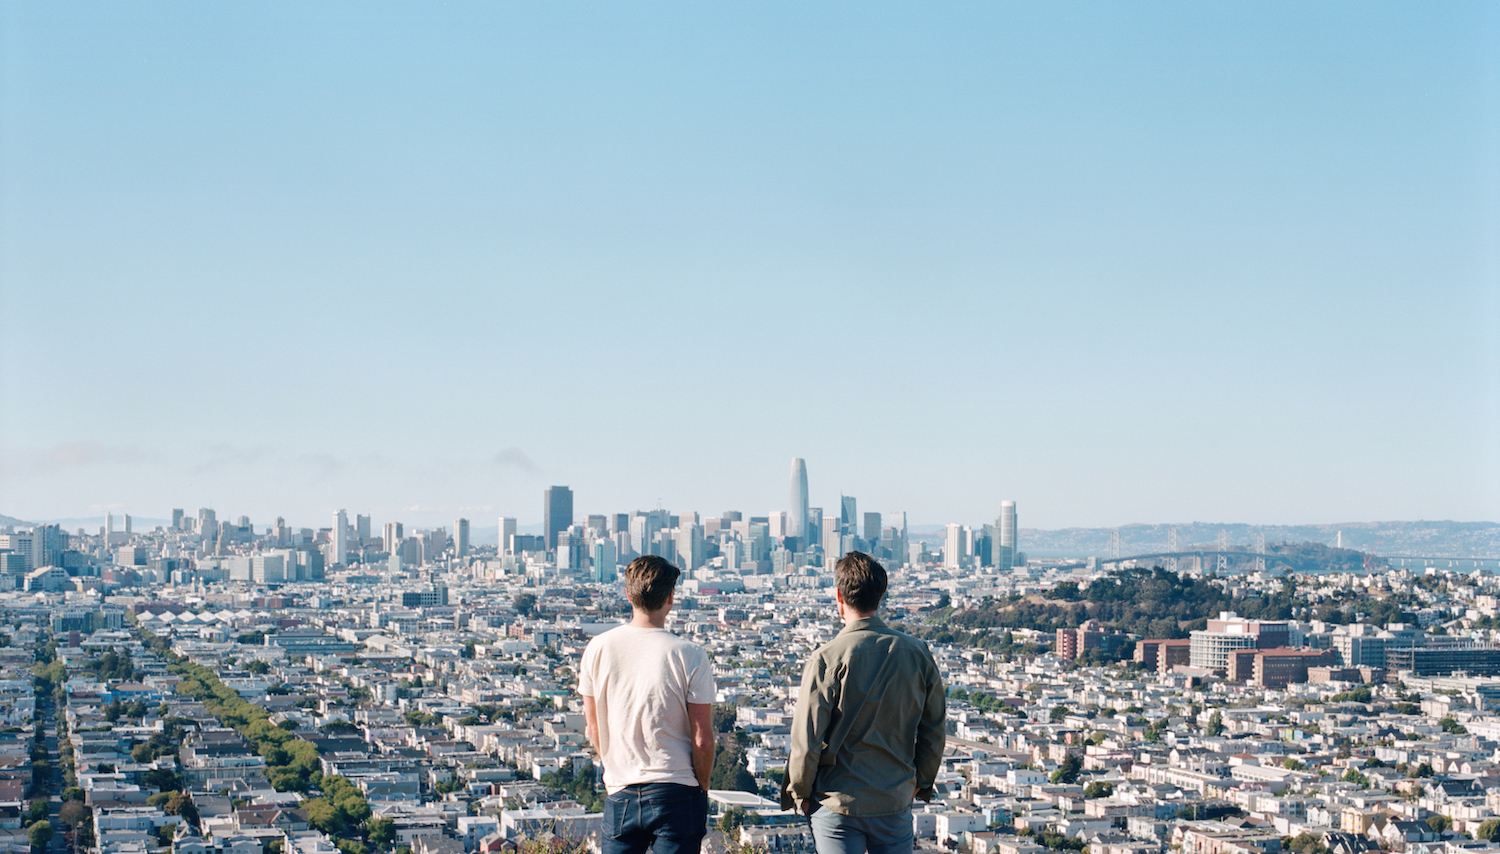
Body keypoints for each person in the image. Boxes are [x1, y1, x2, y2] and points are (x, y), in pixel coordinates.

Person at [783, 551, 946, 854]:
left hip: (836, 800)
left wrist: (801, 792)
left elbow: (806, 738)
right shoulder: (917, 653)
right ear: (880, 596)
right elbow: (934, 728)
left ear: (839, 596)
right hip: (893, 797)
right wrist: (920, 781)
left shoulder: (827, 658)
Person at [580, 555, 716, 854]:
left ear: (628, 595)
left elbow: (594, 729)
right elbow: (702, 739)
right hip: (677, 790)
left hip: (622, 791)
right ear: (671, 597)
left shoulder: (597, 648)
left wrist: (616, 772)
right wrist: (702, 787)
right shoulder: (690, 654)